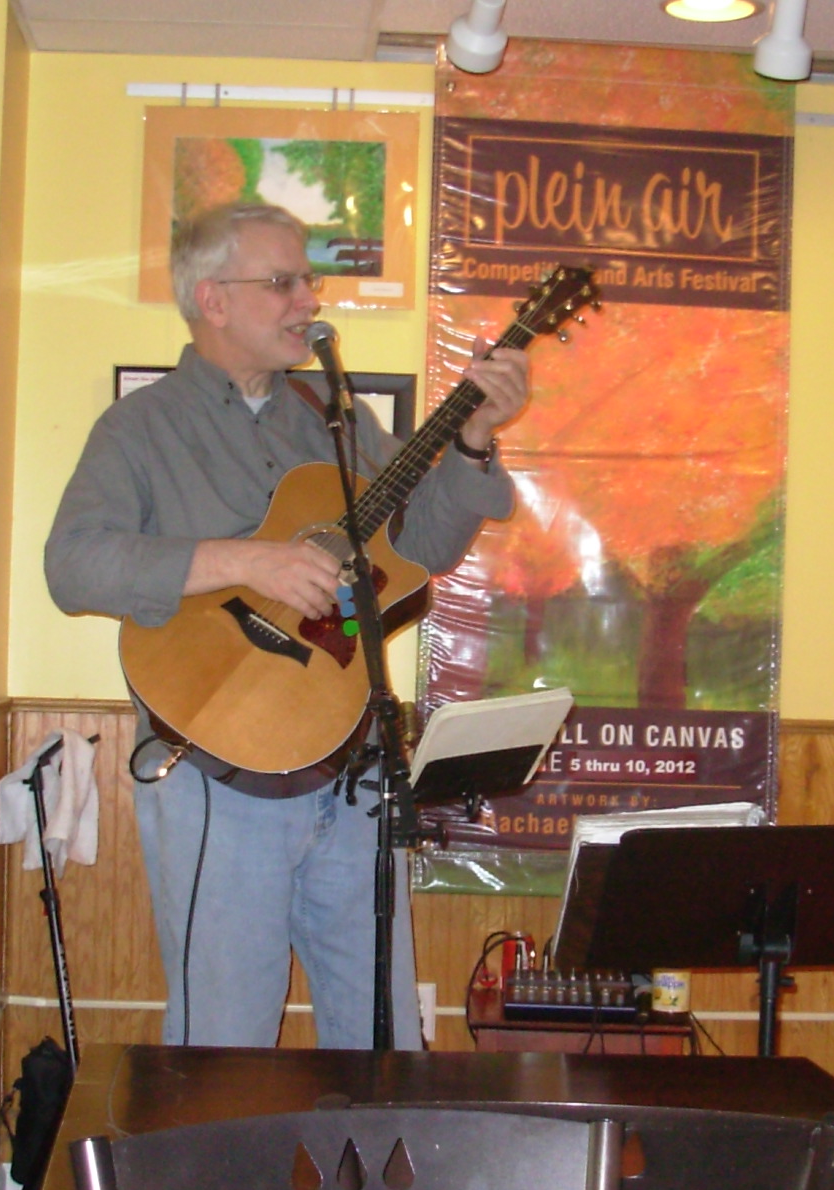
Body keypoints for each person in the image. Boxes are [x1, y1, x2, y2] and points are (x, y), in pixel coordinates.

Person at [44, 202, 529, 1049]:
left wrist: (475, 443)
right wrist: (243, 561)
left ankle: (379, 1183)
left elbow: (417, 549)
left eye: (308, 279)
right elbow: (73, 565)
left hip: (351, 770)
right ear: (212, 299)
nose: (308, 298)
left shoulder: (331, 418)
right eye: (283, 282)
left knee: (381, 1034)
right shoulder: (141, 428)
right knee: (224, 1042)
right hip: (216, 776)